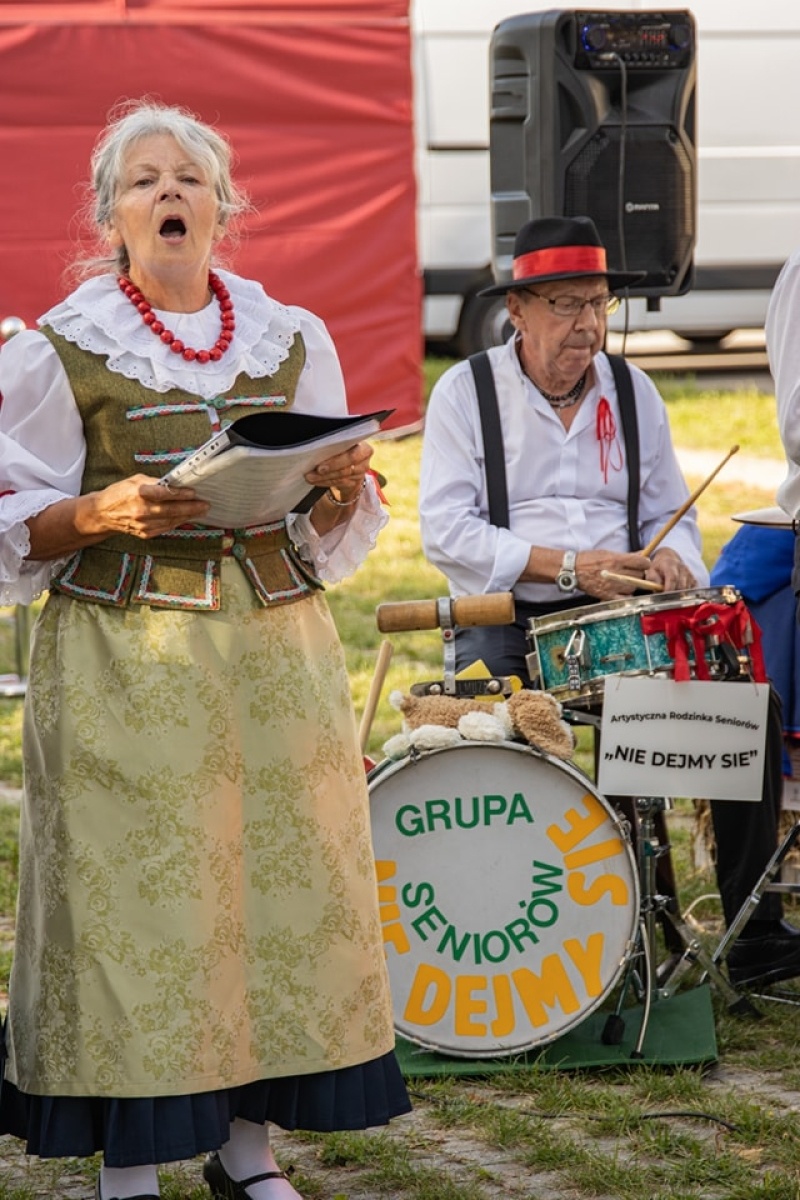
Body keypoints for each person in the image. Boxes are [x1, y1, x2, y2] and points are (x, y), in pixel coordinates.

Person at [0, 99, 410, 1200]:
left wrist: (332, 490)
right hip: (127, 662)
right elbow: (9, 514)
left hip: (277, 657)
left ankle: (246, 1152)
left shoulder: (291, 336)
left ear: (224, 207)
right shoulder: (58, 348)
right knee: (143, 906)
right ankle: (131, 1164)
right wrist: (97, 513)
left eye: (189, 177)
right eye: (143, 180)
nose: (169, 192)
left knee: (268, 905)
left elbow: (327, 543)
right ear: (110, 215)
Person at [418, 214, 800, 991]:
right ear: (516, 311)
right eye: (566, 305)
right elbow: (447, 531)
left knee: (744, 706)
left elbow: (677, 511)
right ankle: (524, 925)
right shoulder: (465, 393)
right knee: (499, 722)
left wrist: (671, 561)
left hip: (625, 616)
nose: (588, 326)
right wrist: (566, 569)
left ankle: (750, 934)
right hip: (512, 618)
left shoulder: (634, 390)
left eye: (598, 304)